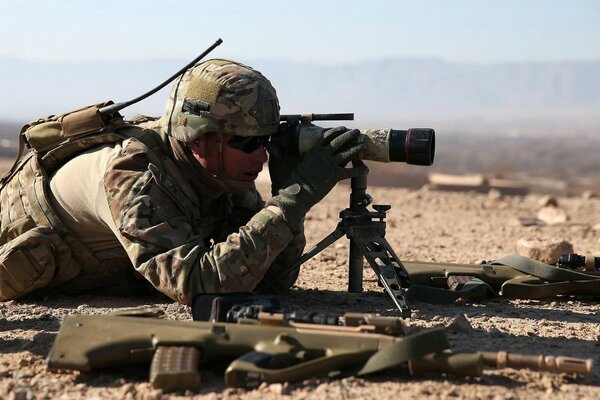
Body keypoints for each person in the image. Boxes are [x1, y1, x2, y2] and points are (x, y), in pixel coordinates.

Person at [0, 59, 368, 304]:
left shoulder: (218, 172)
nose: (261, 155)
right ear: (198, 138)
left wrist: (285, 198)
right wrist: (294, 199)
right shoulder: (134, 179)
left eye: (266, 142)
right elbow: (201, 287)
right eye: (247, 142)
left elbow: (268, 280)